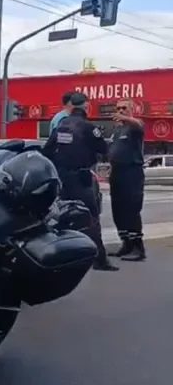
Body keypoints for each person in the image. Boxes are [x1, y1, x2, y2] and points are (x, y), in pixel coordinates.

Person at [42, 105, 118, 271]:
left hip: (62, 178)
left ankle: (63, 257)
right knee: (91, 217)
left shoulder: (60, 127)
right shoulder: (88, 127)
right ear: (85, 115)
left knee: (62, 216)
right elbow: (104, 149)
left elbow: (47, 151)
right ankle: (100, 260)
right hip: (81, 178)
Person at [107, 101, 146, 260]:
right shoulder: (117, 129)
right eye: (118, 108)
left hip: (132, 172)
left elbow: (137, 124)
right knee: (118, 209)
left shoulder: (135, 126)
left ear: (132, 109)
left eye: (124, 108)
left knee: (131, 209)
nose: (121, 111)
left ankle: (138, 247)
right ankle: (126, 243)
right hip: (117, 172)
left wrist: (127, 118)